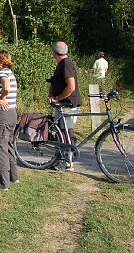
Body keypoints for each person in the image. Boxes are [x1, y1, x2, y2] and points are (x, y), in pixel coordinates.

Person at [47, 41, 82, 171]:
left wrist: (57, 98)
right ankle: (64, 158)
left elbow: (71, 87)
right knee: (63, 131)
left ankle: (68, 160)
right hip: (65, 104)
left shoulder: (66, 64)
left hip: (67, 104)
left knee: (66, 132)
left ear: (54, 53)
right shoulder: (63, 64)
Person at [0, 50, 19, 191]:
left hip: (2, 115)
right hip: (12, 113)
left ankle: (2, 182)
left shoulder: (2, 73)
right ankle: (14, 176)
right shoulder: (9, 72)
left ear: (1, 62)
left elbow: (6, 87)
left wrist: (0, 98)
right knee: (8, 145)